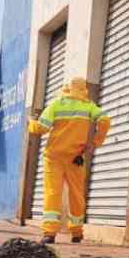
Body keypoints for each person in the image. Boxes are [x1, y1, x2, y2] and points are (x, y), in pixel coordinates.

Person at [27, 77, 110, 244]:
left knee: (53, 192)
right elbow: (105, 120)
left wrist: (31, 123)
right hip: (75, 157)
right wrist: (95, 142)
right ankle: (77, 232)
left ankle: (49, 233)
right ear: (83, 89)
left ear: (66, 88)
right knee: (76, 194)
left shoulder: (56, 104)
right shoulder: (88, 106)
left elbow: (41, 128)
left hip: (54, 157)